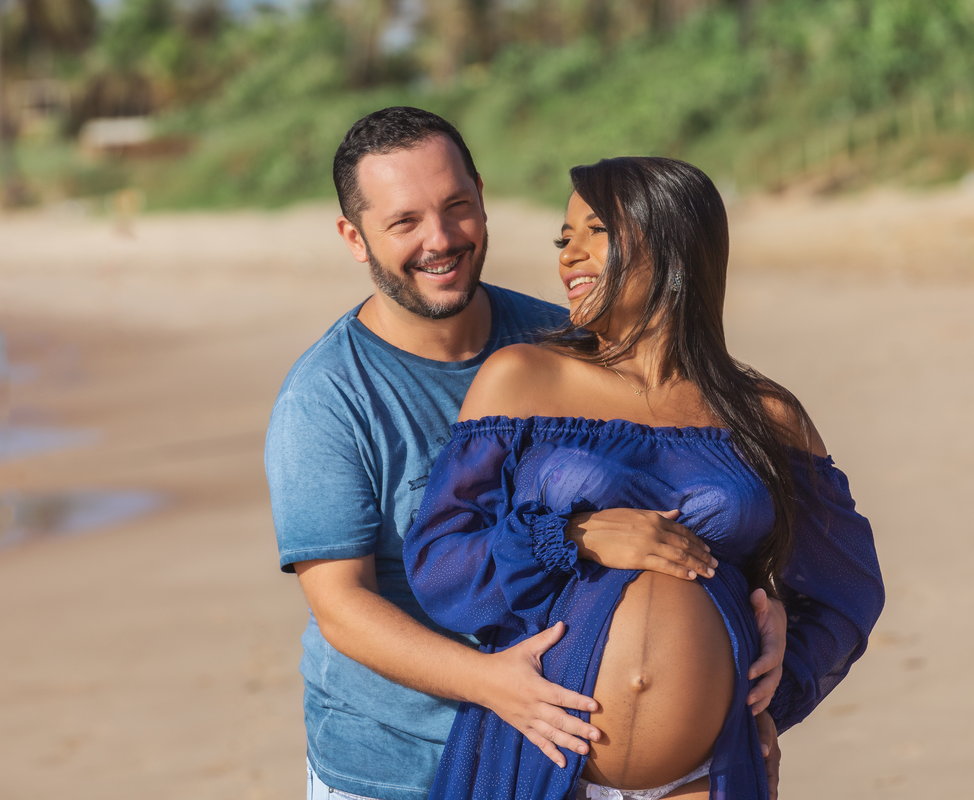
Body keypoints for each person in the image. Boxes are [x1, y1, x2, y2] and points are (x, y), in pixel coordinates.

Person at [265, 109, 787, 800]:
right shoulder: (328, 398)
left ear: (482, 195)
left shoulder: (561, 338)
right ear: (354, 238)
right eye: (404, 223)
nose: (440, 239)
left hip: (557, 754)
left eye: (456, 207)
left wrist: (758, 614)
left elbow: (682, 484)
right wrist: (494, 685)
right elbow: (341, 606)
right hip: (395, 762)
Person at [403, 157, 885, 800]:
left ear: (673, 246)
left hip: (707, 774)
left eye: (593, 231)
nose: (567, 255)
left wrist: (779, 677)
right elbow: (440, 562)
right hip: (538, 758)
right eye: (562, 238)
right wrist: (571, 536)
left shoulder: (766, 415)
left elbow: (845, 588)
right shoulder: (523, 378)